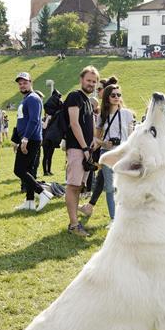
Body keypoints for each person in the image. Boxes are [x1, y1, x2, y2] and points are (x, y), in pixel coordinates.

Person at [81, 83, 135, 220]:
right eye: (113, 95)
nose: (116, 97)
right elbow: (96, 138)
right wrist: (105, 143)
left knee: (123, 187)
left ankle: (125, 216)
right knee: (110, 188)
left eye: (119, 94)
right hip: (107, 153)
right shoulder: (102, 116)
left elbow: (131, 137)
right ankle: (113, 219)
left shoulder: (128, 114)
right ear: (107, 98)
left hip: (123, 153)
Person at [63, 66, 100, 236]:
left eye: (94, 81)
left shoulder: (87, 100)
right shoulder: (74, 96)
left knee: (79, 186)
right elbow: (74, 123)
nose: (91, 84)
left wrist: (92, 141)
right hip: (77, 149)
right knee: (72, 186)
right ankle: (73, 225)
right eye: (89, 80)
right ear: (81, 80)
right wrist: (84, 147)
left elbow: (89, 124)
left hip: (86, 149)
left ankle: (75, 222)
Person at [13, 72, 48, 211]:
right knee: (27, 170)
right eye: (20, 83)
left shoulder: (33, 98)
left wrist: (25, 139)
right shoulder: (27, 98)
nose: (22, 85)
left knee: (19, 170)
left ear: (31, 82)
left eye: (25, 82)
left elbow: (34, 120)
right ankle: (29, 202)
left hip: (31, 139)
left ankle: (43, 192)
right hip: (27, 138)